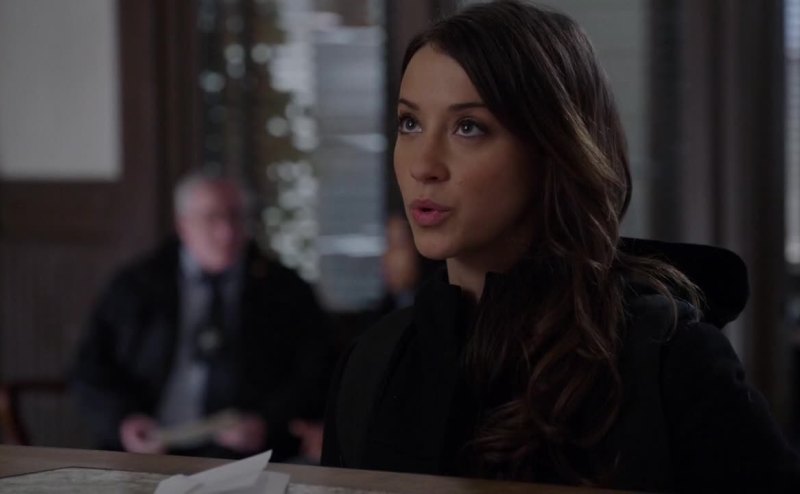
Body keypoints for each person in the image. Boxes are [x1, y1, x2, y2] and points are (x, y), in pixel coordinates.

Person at [321, 1, 800, 491]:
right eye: (410, 123)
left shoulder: (668, 360)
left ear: (553, 148)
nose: (423, 165)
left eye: (469, 127)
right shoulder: (373, 363)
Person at [72, 170, 334, 461]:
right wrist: (123, 422)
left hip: (252, 456)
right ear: (183, 225)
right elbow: (91, 369)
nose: (227, 232)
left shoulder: (285, 289)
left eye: (236, 217)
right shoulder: (137, 285)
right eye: (211, 218)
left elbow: (315, 371)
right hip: (149, 450)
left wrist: (268, 422)